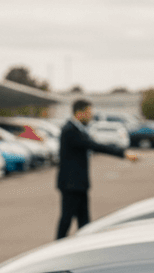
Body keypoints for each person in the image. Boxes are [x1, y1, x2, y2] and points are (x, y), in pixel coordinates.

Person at [56, 99, 138, 239]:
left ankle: (86, 246)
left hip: (78, 183)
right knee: (67, 219)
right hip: (71, 184)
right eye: (89, 113)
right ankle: (56, 248)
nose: (91, 116)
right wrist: (122, 153)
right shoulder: (70, 130)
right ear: (80, 113)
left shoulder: (78, 129)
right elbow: (95, 146)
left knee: (84, 220)